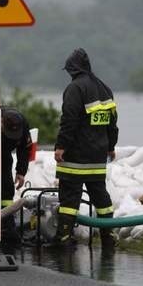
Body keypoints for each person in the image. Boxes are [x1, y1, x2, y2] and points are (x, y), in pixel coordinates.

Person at [53, 48, 118, 249]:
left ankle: (63, 238)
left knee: (70, 198)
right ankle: (108, 237)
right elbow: (112, 122)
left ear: (73, 69)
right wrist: (111, 146)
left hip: (76, 158)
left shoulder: (75, 89)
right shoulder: (105, 89)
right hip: (98, 156)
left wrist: (61, 146)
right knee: (101, 197)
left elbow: (69, 120)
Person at [0, 106, 32, 252]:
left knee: (6, 190)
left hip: (5, 156)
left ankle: (6, 228)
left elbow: (24, 149)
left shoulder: (23, 124)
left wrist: (21, 172)